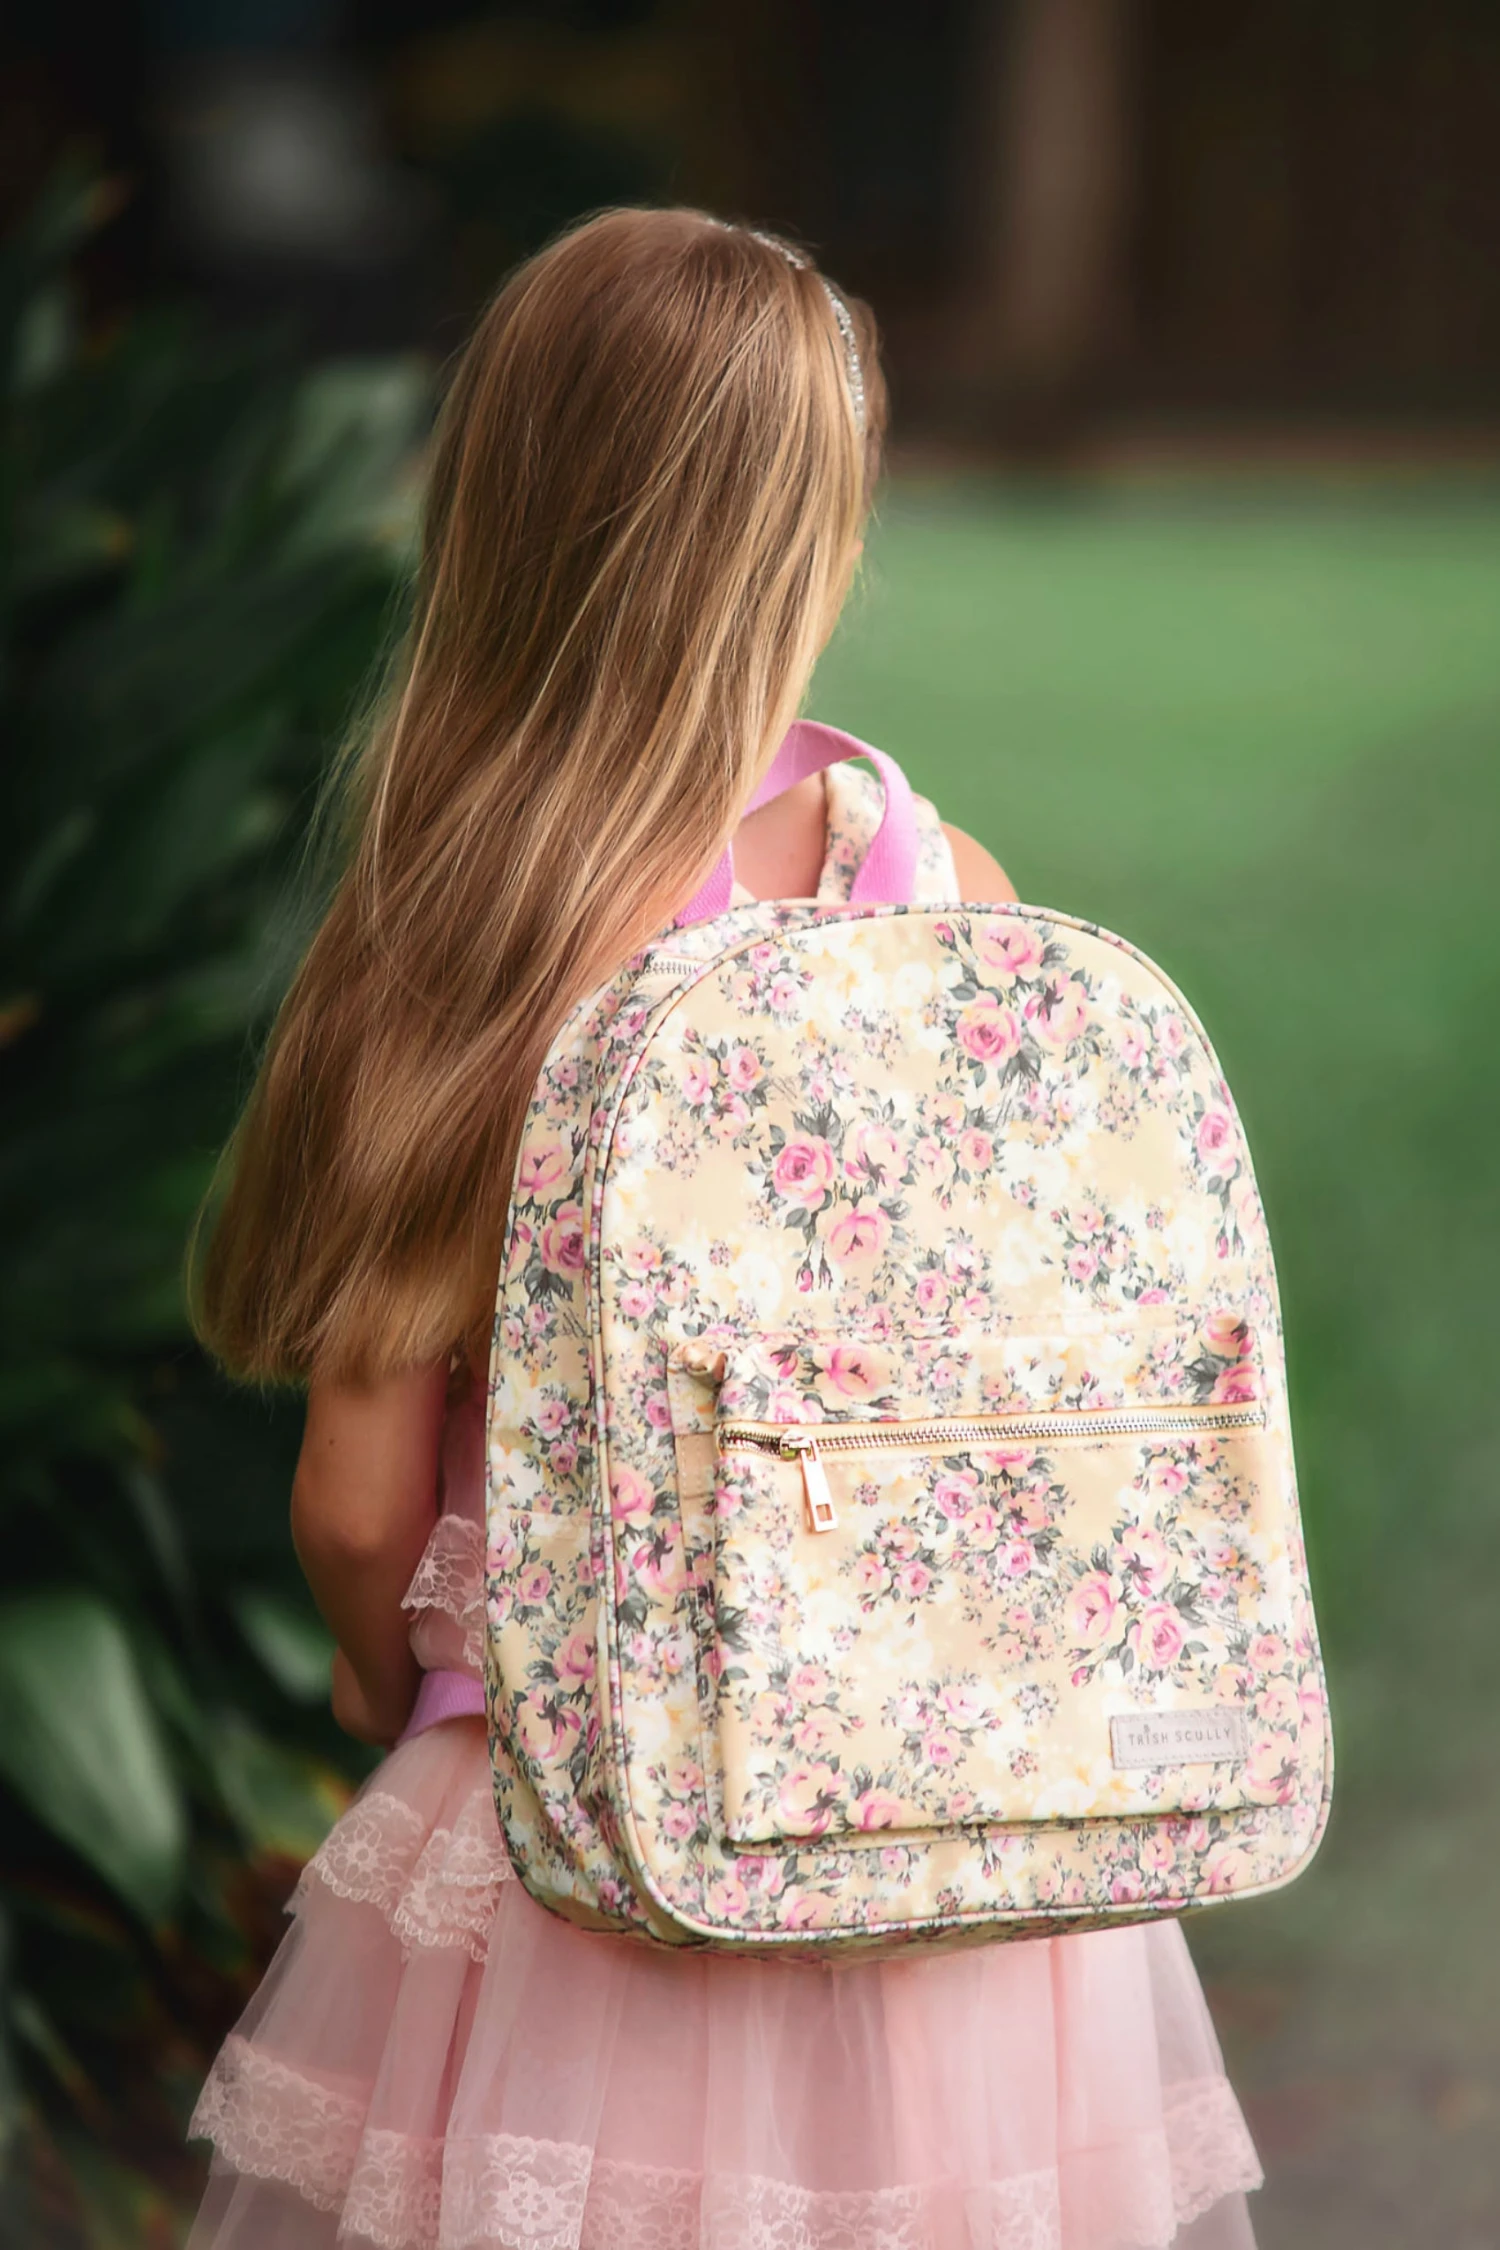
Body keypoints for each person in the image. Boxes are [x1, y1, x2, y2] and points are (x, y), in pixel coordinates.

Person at [186, 208, 1263, 2250]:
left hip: (592, 1835)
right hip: (939, 1834)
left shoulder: (469, 939)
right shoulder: (948, 889)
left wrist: (372, 1677)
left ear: (498, 507)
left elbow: (352, 1497)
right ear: (816, 536)